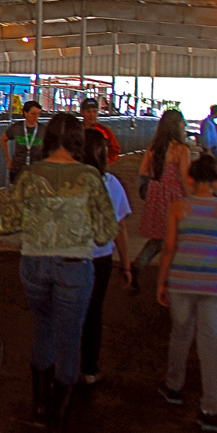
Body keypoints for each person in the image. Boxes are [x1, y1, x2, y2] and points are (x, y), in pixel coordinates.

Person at [0, 112, 117, 433]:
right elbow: (107, 231)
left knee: (43, 330)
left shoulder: (31, 175)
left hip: (34, 262)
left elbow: (7, 224)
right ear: (79, 139)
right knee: (69, 339)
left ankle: (38, 405)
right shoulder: (90, 177)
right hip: (74, 267)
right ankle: (55, 429)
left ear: (48, 137)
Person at [157, 153, 217, 433]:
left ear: (191, 180)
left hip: (182, 281)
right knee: (210, 346)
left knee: (180, 334)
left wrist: (162, 282)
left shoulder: (178, 207)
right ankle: (209, 410)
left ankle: (173, 386)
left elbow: (169, 248)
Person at [78, 129, 133, 385]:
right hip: (99, 257)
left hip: (70, 254)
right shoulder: (112, 184)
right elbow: (120, 228)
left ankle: (60, 366)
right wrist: (126, 265)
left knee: (65, 311)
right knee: (93, 312)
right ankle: (89, 368)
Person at [133, 110, 191, 291]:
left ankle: (139, 263)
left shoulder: (153, 147)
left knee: (159, 237)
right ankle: (169, 279)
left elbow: (143, 171)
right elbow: (185, 178)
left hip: (156, 195)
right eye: (182, 122)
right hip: (174, 197)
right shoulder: (181, 149)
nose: (185, 125)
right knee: (174, 238)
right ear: (176, 125)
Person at [2, 100, 44, 183]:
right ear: (25, 113)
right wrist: (8, 159)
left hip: (37, 168)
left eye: (38, 114)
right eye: (33, 114)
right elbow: (3, 139)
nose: (36, 117)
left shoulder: (43, 129)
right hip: (18, 168)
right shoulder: (17, 127)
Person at [80, 98, 121, 164]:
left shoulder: (105, 131)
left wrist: (106, 162)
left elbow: (115, 150)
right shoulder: (76, 130)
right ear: (82, 112)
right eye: (88, 111)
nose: (92, 114)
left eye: (95, 111)